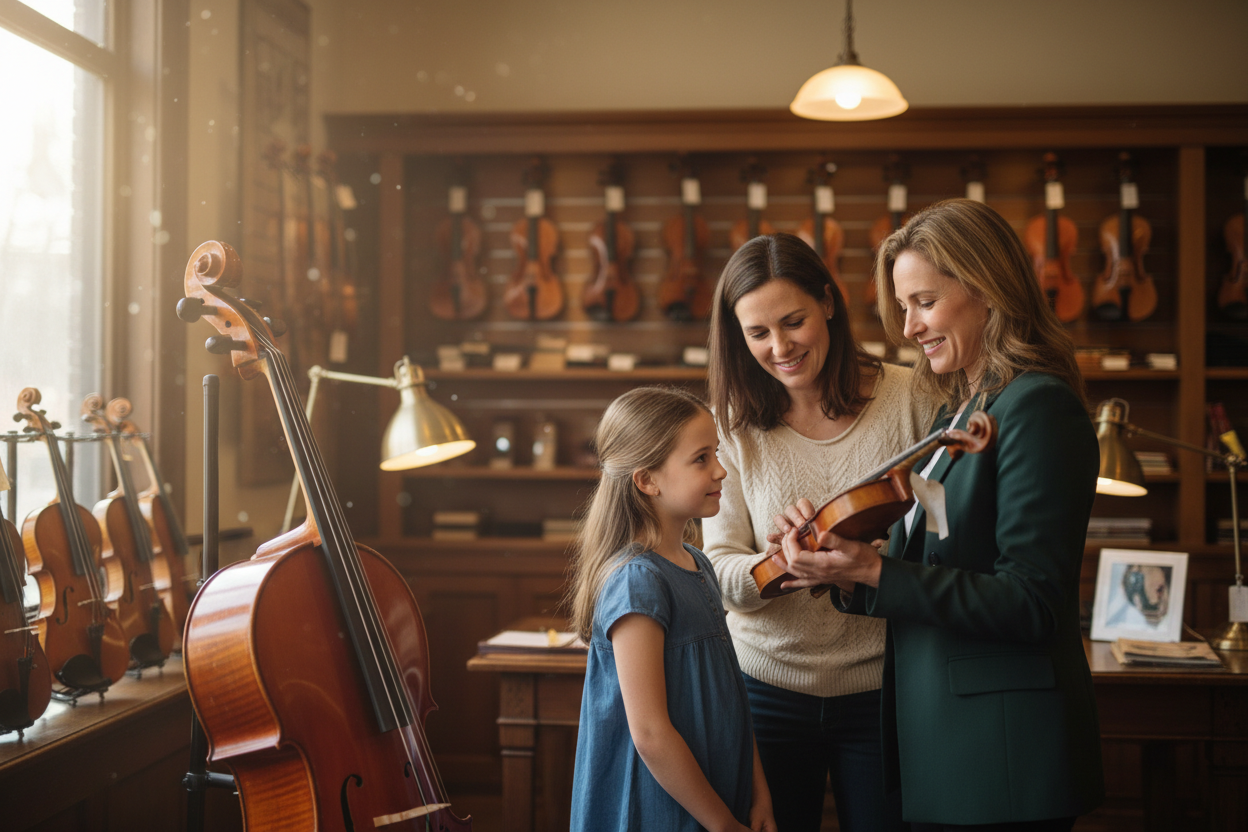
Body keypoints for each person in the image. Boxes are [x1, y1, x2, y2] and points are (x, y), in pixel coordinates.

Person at [773, 199, 1105, 830]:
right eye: (903, 307)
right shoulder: (958, 414)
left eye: (923, 302)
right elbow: (933, 560)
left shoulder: (1036, 407)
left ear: (987, 290)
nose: (909, 327)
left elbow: (1033, 602)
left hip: (1000, 754)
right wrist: (840, 567)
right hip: (948, 742)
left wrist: (876, 574)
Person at [703, 233, 933, 832]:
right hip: (763, 691)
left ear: (829, 303)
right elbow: (720, 567)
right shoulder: (732, 426)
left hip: (884, 688)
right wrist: (780, 564)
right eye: (757, 334)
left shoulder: (914, 396)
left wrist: (867, 559)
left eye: (793, 321)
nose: (779, 347)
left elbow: (944, 540)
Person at [567, 386, 776, 832]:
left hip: (719, 796)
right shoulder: (637, 581)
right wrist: (722, 823)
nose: (721, 470)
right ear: (647, 480)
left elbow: (732, 694)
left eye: (716, 453)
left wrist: (759, 793)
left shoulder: (699, 563)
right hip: (658, 809)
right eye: (701, 458)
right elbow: (651, 734)